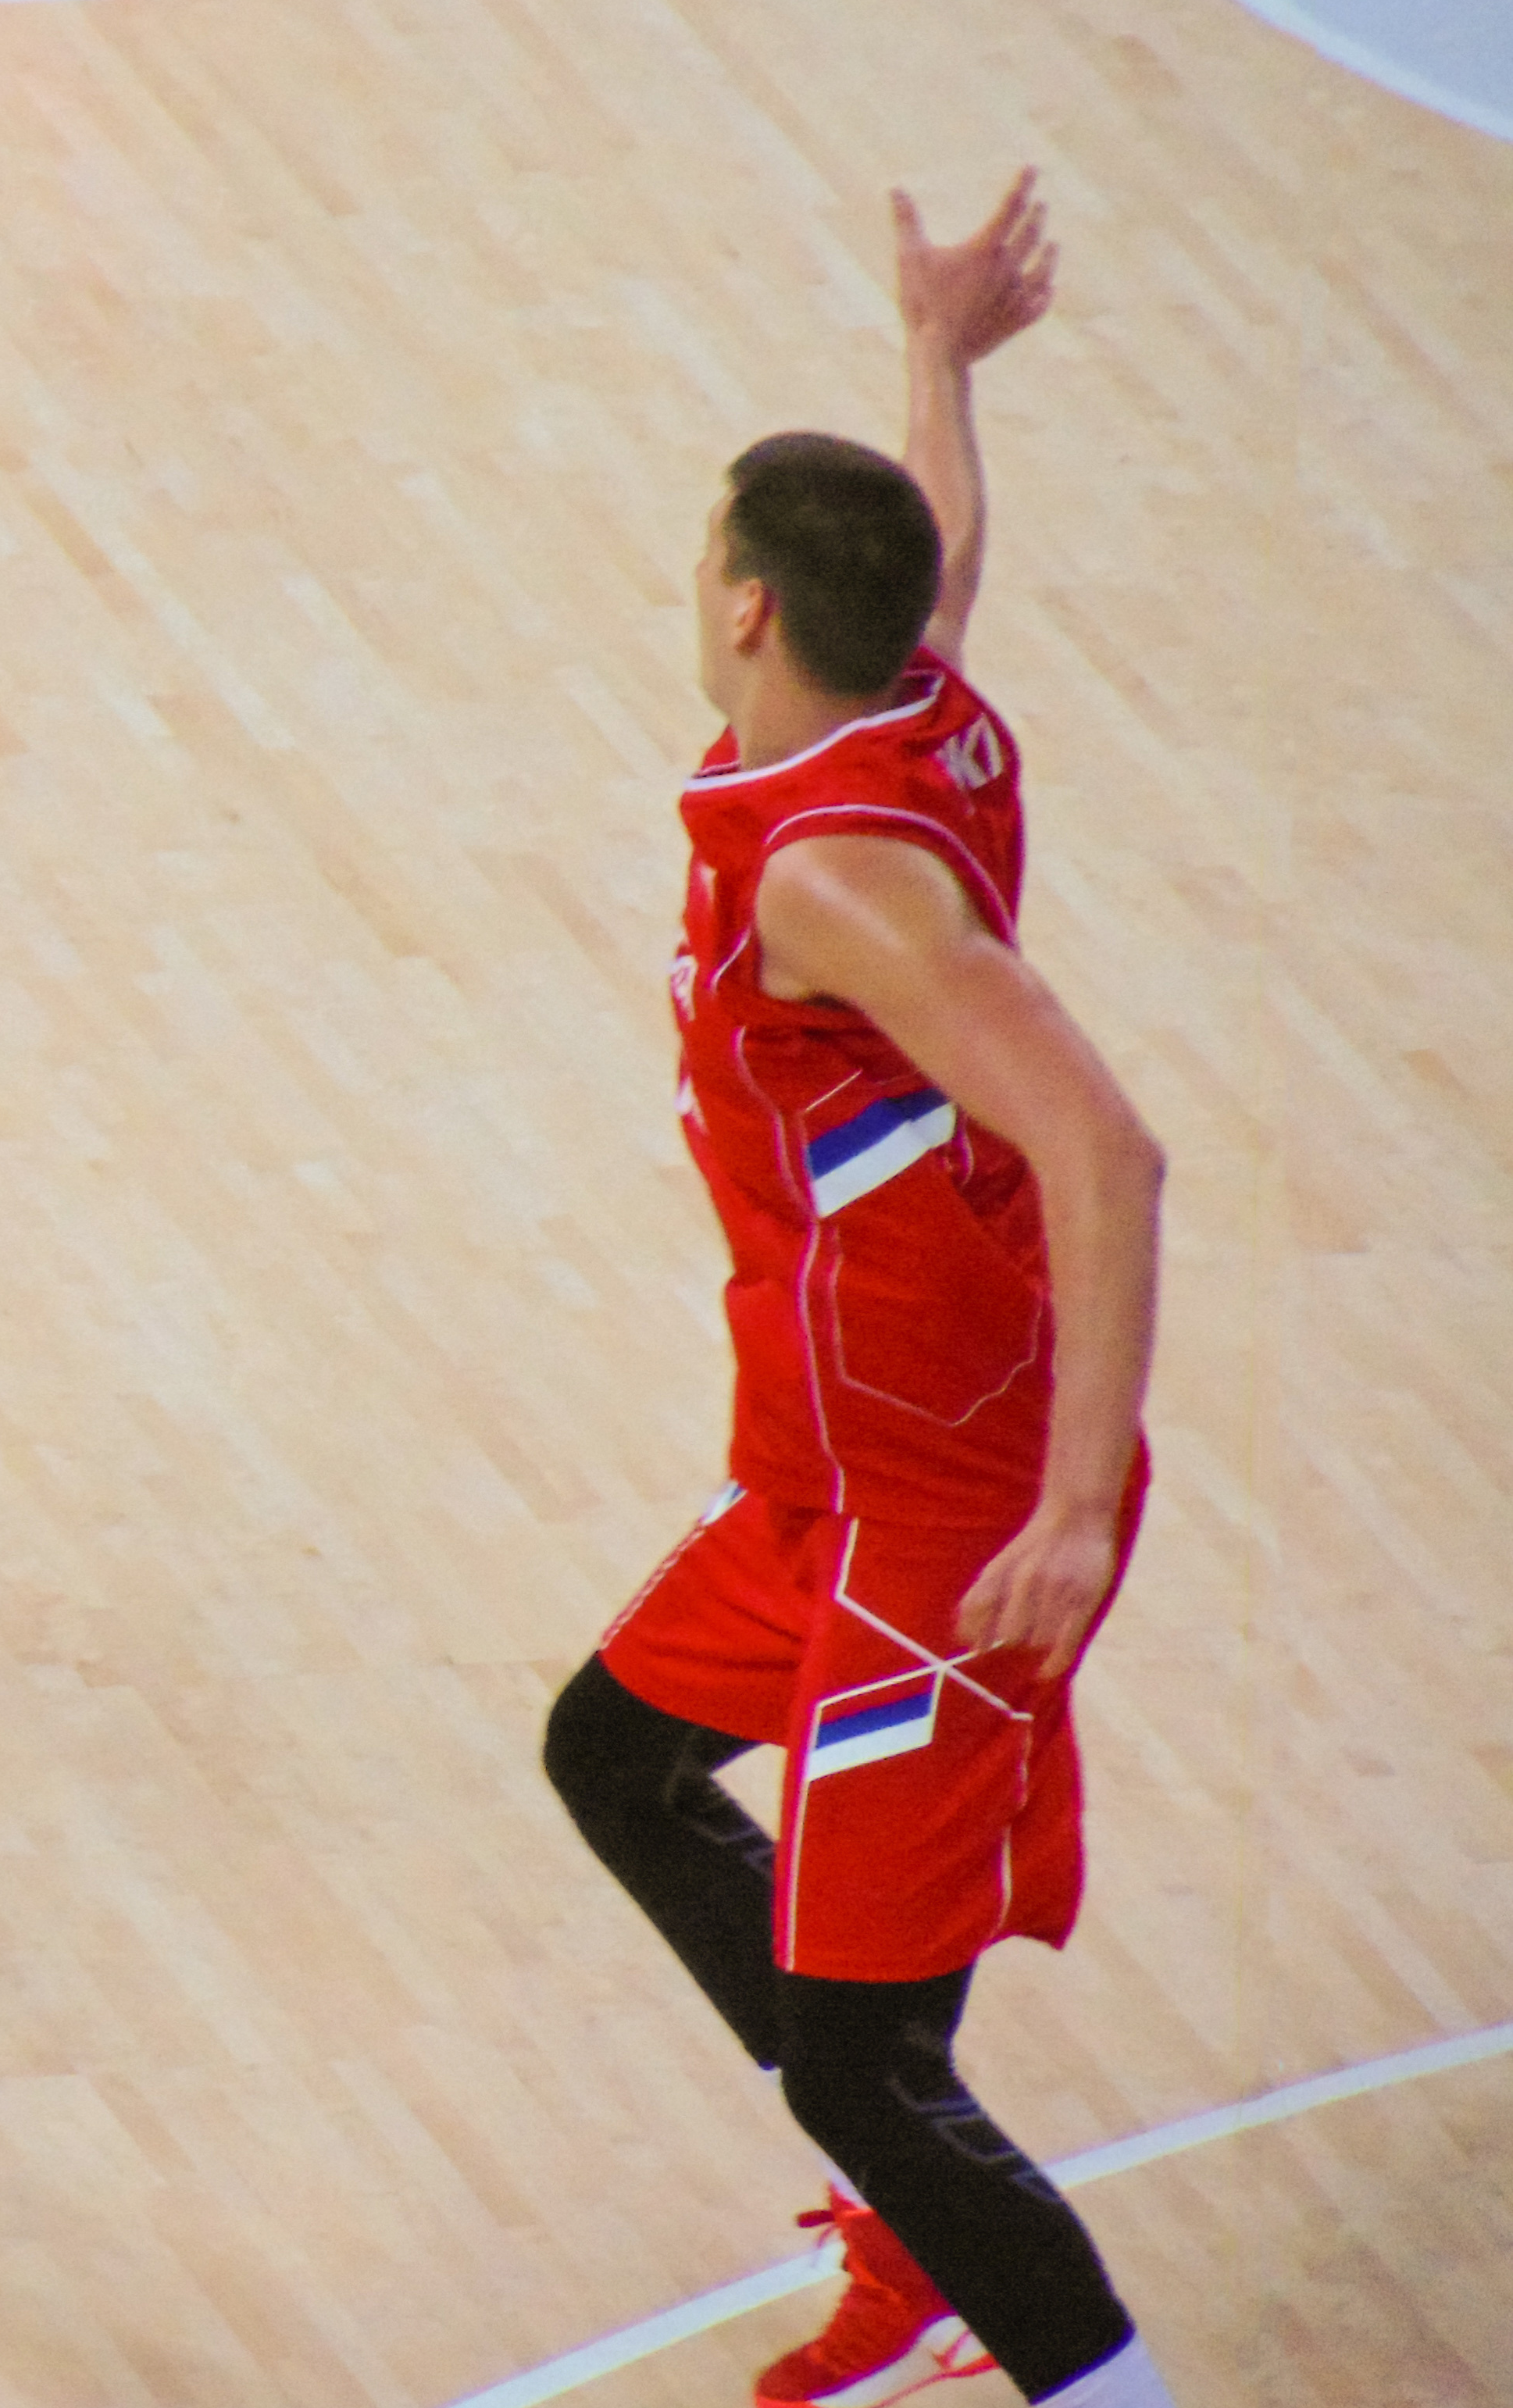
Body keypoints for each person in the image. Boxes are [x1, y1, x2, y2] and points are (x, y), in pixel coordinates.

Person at [540, 174, 1182, 2408]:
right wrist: (938, 356)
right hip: (822, 1462)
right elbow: (931, 548)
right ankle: (922, 2229)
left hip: (952, 1507)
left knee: (859, 2061)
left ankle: (1062, 2353)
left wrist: (1074, 1509)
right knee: (613, 1753)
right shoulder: (870, 708)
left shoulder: (831, 876)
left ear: (735, 604)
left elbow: (1105, 1147)